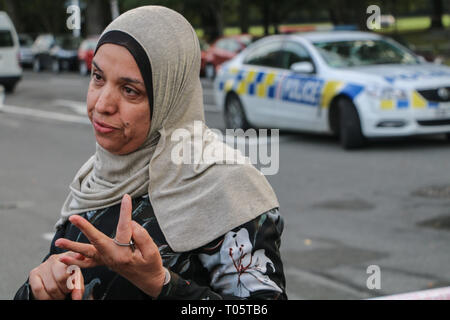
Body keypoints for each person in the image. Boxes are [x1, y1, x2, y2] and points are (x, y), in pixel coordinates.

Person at [14, 6, 287, 300]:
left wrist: (160, 284)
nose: (102, 104)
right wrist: (39, 287)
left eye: (130, 90)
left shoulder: (226, 185)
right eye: (97, 77)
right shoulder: (96, 175)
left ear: (170, 97)